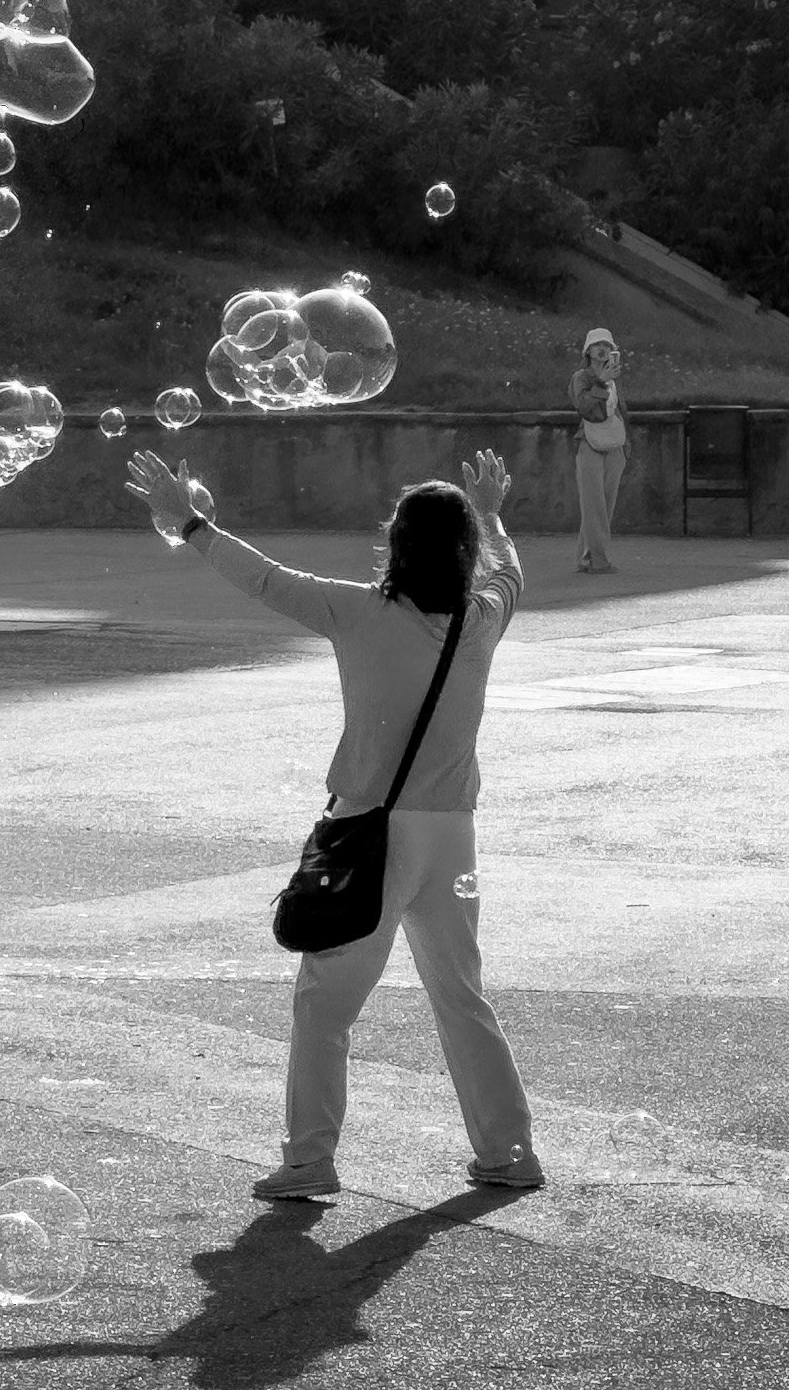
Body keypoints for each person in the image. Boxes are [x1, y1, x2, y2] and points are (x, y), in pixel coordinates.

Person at [124, 448, 544, 1199]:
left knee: (325, 1002)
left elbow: (265, 578)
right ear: (466, 553)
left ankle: (310, 1158)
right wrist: (490, 511)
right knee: (462, 994)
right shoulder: (481, 621)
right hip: (454, 835)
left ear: (395, 544)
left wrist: (189, 522)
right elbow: (509, 569)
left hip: (371, 834)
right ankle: (509, 1150)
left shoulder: (358, 610)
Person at [569, 327, 628, 574]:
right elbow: (583, 407)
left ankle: (585, 558)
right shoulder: (581, 377)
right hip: (590, 443)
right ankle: (599, 561)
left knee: (606, 503)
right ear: (588, 351)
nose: (602, 348)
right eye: (597, 345)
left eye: (607, 344)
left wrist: (627, 445)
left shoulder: (613, 378)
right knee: (594, 504)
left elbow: (620, 411)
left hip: (614, 444)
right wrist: (601, 382)